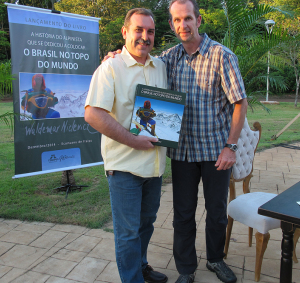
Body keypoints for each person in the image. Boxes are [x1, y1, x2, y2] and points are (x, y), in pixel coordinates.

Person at [104, 0, 247, 282]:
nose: (183, 25)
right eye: (177, 20)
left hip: (216, 151)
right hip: (181, 152)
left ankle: (216, 260)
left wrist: (231, 146)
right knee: (183, 214)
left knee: (216, 211)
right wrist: (114, 56)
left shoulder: (222, 56)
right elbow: (138, 57)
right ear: (171, 24)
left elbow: (240, 103)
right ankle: (186, 269)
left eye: (188, 19)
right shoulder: (168, 59)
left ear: (198, 20)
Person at [84, 8, 169, 283]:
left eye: (151, 31)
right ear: (125, 32)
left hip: (154, 166)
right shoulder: (110, 68)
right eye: (139, 30)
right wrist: (133, 140)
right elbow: (93, 113)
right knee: (128, 232)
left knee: (145, 225)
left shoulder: (160, 66)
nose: (145, 37)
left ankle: (141, 266)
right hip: (124, 168)